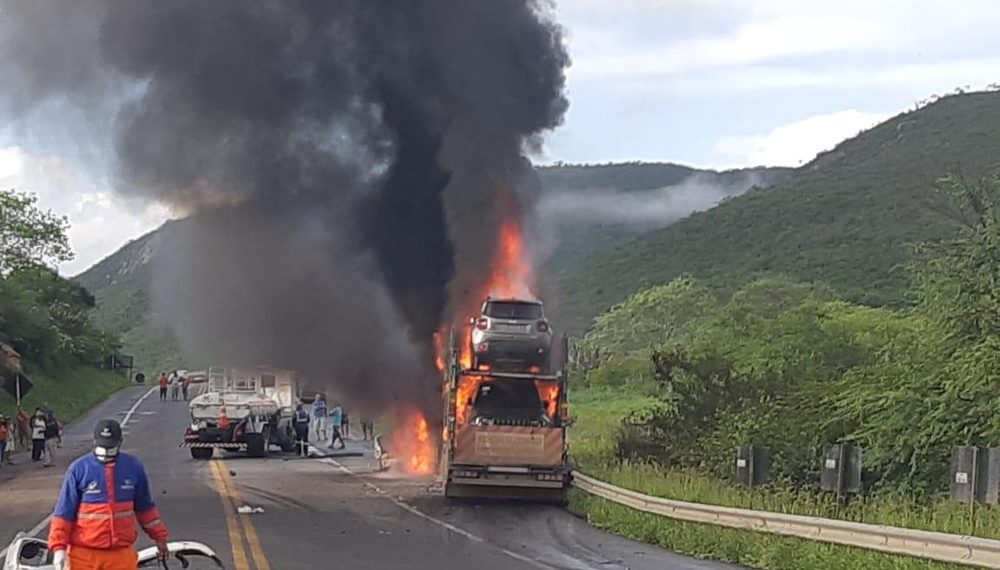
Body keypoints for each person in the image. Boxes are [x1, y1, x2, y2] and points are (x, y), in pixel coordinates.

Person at [48, 419, 169, 570]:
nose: (105, 453)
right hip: (83, 556)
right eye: (102, 447)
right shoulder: (79, 470)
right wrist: (59, 549)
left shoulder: (133, 468)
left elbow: (145, 509)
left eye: (110, 448)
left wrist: (160, 537)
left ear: (120, 442)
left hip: (120, 556)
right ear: (94, 442)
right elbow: (63, 514)